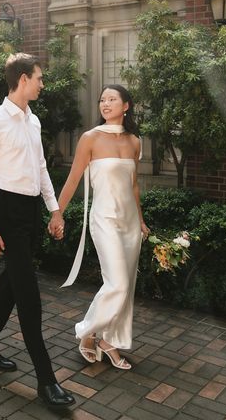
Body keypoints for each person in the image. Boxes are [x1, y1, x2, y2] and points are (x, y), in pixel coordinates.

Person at [0, 52, 75, 408]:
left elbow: (42, 167)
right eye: (39, 78)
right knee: (28, 296)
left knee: (11, 283)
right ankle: (47, 382)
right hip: (8, 211)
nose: (43, 84)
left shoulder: (34, 121)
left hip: (30, 212)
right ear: (24, 79)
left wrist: (54, 208)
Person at [49, 84, 150, 370]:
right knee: (116, 283)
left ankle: (109, 341)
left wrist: (140, 219)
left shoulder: (134, 141)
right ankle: (88, 332)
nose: (105, 103)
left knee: (124, 286)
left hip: (130, 222)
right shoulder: (90, 138)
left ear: (126, 106)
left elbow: (133, 185)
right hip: (104, 219)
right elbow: (72, 179)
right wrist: (58, 214)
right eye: (102, 99)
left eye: (112, 99)